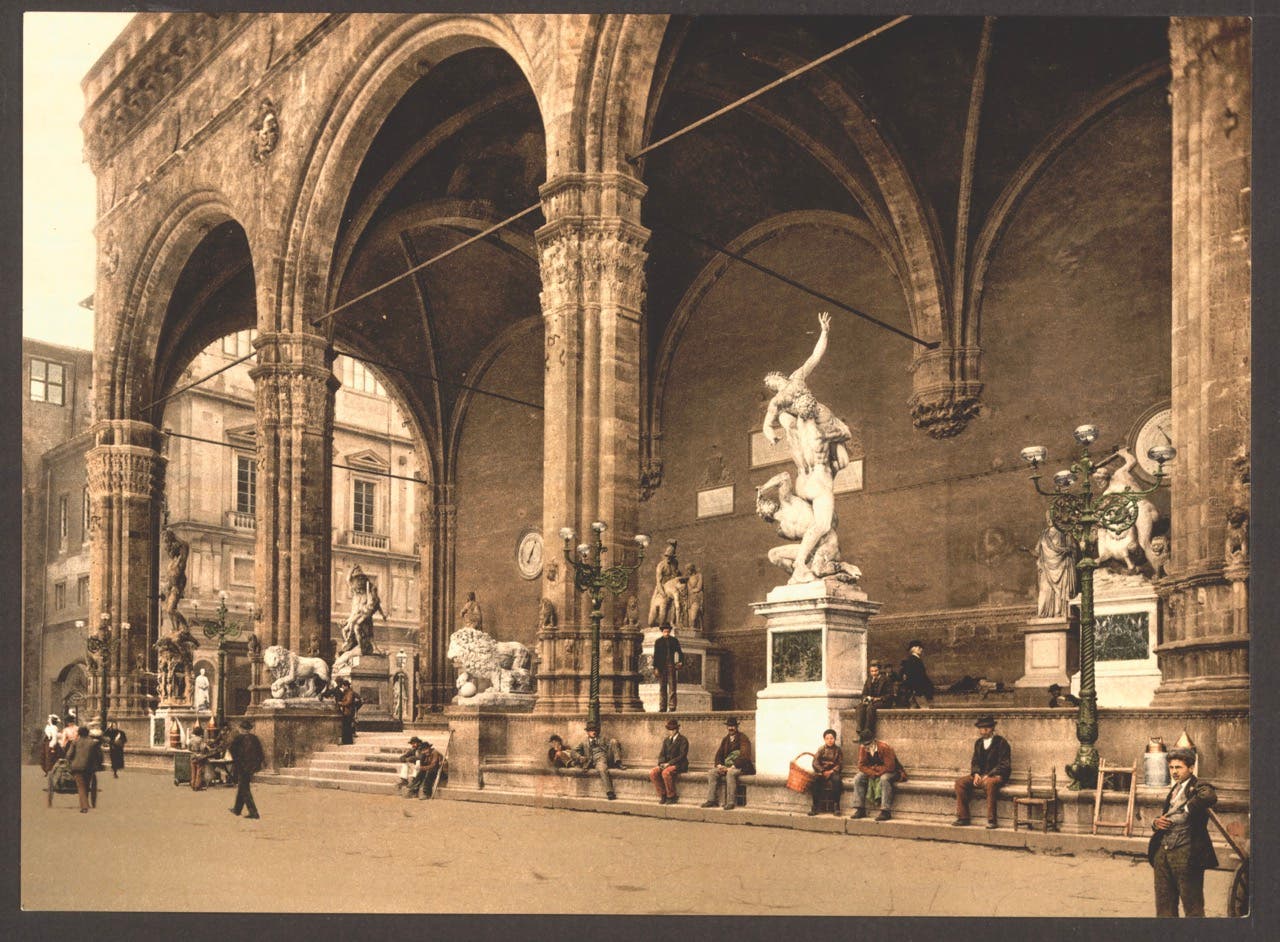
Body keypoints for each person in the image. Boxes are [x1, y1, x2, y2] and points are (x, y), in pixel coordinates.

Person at [760, 311, 855, 584]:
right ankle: (802, 563)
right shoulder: (784, 401)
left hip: (805, 479)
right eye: (770, 385)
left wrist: (824, 333)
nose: (772, 385)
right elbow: (768, 420)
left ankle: (813, 565)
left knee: (822, 527)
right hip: (816, 480)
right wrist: (769, 432)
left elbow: (814, 357)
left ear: (778, 378)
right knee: (824, 524)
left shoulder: (795, 384)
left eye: (772, 381)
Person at [1148, 748, 1218, 917]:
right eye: (1171, 768)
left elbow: (1209, 796)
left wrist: (1187, 807)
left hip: (1188, 855)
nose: (1174, 772)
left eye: (1178, 767)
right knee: (1164, 906)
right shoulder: (1175, 789)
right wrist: (1156, 822)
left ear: (1191, 768)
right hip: (1163, 855)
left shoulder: (1198, 786)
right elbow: (1168, 815)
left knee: (1192, 907)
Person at [953, 715, 1012, 829]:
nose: (984, 731)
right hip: (980, 775)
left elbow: (1005, 764)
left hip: (997, 776)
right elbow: (975, 761)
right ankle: (963, 817)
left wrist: (989, 775)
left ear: (993, 728)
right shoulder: (978, 743)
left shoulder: (1001, 742)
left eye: (987, 728)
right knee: (960, 783)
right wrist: (975, 774)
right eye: (981, 728)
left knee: (990, 784)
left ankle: (991, 820)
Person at [334, 565, 384, 674]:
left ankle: (360, 646)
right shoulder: (355, 593)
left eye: (361, 579)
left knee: (356, 627)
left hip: (364, 621)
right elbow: (348, 580)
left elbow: (373, 606)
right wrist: (352, 569)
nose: (359, 582)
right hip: (355, 618)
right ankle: (349, 643)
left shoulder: (369, 593)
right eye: (357, 579)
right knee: (346, 629)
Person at [850, 729, 907, 821]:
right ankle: (860, 808)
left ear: (873, 741)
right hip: (874, 771)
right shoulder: (863, 748)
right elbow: (861, 765)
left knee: (884, 779)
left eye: (868, 744)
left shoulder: (885, 747)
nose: (866, 747)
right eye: (864, 744)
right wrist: (873, 773)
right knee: (858, 778)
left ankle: (885, 811)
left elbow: (890, 766)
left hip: (893, 772)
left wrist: (876, 771)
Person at [702, 716, 755, 810]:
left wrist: (733, 767)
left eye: (733, 726)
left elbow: (744, 755)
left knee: (730, 774)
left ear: (736, 727)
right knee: (712, 773)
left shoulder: (743, 738)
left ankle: (731, 802)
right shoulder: (725, 739)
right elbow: (719, 754)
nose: (731, 728)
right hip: (727, 767)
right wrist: (719, 765)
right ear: (727, 727)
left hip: (742, 767)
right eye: (729, 726)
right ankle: (711, 800)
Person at [1033, 512, 1077, 618]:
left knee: (1060, 593)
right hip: (1047, 568)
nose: (1048, 520)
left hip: (1062, 568)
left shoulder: (1065, 533)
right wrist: (1026, 550)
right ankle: (1043, 613)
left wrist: (1066, 551)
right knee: (1044, 591)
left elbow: (1072, 548)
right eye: (1047, 518)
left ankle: (1059, 613)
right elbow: (1037, 552)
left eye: (1051, 518)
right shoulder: (1044, 534)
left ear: (1056, 519)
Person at [573, 722, 623, 800]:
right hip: (594, 761)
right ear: (587, 732)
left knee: (613, 741)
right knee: (602, 768)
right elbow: (573, 751)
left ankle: (618, 763)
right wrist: (580, 757)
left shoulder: (603, 738)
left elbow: (616, 745)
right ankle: (610, 792)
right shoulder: (584, 742)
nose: (594, 732)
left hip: (604, 758)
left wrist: (615, 745)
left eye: (595, 730)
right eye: (591, 730)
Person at [228, 719, 264, 819]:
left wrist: (237, 761)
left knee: (244, 788)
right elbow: (260, 754)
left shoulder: (238, 739)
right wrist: (257, 765)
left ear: (241, 729)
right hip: (251, 766)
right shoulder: (255, 738)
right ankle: (237, 809)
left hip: (242, 766)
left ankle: (253, 812)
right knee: (242, 786)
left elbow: (231, 749)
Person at [649, 718, 689, 805]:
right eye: (669, 729)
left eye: (673, 729)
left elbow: (682, 755)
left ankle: (671, 796)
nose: (670, 731)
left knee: (666, 773)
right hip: (666, 764)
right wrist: (661, 763)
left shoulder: (683, 740)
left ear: (677, 729)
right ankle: (663, 794)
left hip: (679, 764)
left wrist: (669, 764)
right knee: (653, 772)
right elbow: (662, 754)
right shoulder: (666, 740)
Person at [65, 725, 103, 813]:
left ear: (79, 733)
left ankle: (84, 806)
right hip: (89, 767)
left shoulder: (75, 742)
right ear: (87, 733)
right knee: (86, 785)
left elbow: (68, 755)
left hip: (77, 767)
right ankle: (86, 804)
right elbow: (99, 756)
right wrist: (98, 765)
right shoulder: (93, 743)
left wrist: (70, 762)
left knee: (81, 786)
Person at [161, 528, 191, 634]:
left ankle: (185, 626)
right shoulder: (172, 562)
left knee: (170, 609)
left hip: (178, 584)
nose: (168, 552)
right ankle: (175, 629)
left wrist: (173, 535)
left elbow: (185, 546)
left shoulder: (180, 561)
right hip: (171, 585)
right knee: (169, 610)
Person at [807, 729, 843, 816]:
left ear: (834, 739)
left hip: (833, 772)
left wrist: (831, 771)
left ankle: (836, 806)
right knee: (815, 780)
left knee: (837, 780)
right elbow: (815, 762)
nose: (829, 740)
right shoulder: (821, 749)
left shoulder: (838, 750)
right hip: (822, 771)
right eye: (827, 738)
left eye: (831, 738)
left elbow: (840, 763)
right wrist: (822, 771)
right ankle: (815, 806)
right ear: (824, 739)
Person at [855, 661, 895, 735]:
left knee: (871, 707)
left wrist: (878, 699)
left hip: (883, 702)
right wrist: (866, 698)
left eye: (876, 671)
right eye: (872, 671)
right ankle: (860, 729)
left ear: (879, 670)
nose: (874, 673)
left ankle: (868, 730)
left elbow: (890, 695)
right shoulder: (869, 680)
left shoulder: (886, 679)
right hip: (871, 701)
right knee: (860, 706)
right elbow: (864, 693)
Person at [652, 623, 683, 713]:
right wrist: (656, 668)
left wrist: (680, 662)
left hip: (671, 666)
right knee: (662, 688)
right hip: (661, 667)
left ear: (670, 631)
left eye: (668, 631)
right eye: (665, 631)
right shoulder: (658, 642)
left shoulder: (674, 641)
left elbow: (680, 652)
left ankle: (672, 707)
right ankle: (662, 707)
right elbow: (656, 655)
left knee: (672, 687)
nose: (666, 632)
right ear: (662, 631)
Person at [898, 640, 935, 707]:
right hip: (918, 691)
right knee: (925, 710)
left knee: (914, 710)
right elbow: (914, 677)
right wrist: (917, 690)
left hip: (915, 691)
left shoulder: (913, 660)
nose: (921, 649)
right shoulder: (913, 660)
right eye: (919, 648)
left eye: (921, 648)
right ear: (913, 649)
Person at [334, 678, 359, 744]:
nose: (342, 687)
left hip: (348, 712)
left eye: (343, 686)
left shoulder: (350, 693)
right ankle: (347, 741)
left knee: (346, 726)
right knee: (346, 726)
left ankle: (347, 741)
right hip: (347, 711)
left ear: (346, 686)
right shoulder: (347, 692)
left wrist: (341, 703)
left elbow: (348, 702)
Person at [189, 725, 210, 791]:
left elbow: (189, 747)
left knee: (193, 771)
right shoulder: (201, 740)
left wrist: (193, 751)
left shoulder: (191, 739)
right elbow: (202, 748)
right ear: (200, 733)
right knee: (199, 771)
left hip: (193, 756)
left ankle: (192, 784)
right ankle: (197, 786)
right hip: (199, 756)